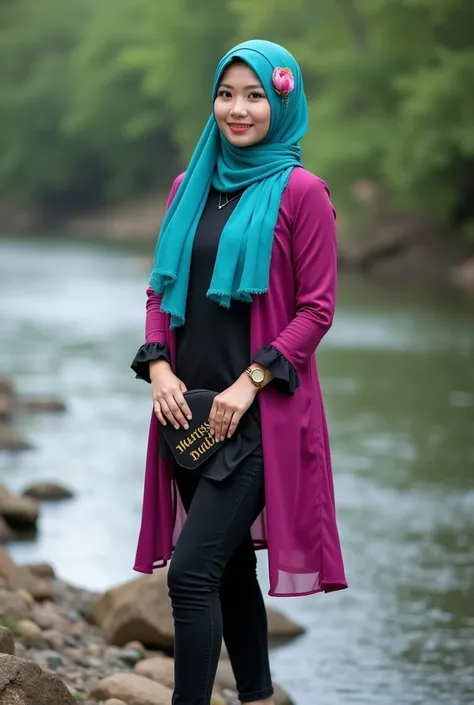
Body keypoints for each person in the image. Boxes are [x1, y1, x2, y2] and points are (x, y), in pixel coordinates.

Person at [131, 39, 347, 705]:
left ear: (283, 102)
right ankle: (256, 696)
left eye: (255, 95)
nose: (238, 109)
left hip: (259, 418)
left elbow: (317, 309)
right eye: (226, 94)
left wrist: (249, 383)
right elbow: (160, 289)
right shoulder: (188, 185)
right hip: (188, 412)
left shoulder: (303, 193)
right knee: (226, 570)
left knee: (191, 573)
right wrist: (158, 366)